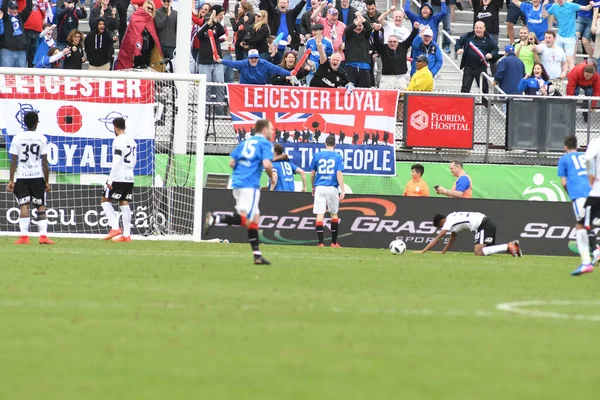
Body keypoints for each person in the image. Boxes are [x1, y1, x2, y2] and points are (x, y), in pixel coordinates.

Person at [203, 119, 275, 265]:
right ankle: (216, 219)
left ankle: (257, 255)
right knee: (250, 219)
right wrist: (271, 176)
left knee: (253, 218)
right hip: (250, 184)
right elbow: (267, 164)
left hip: (237, 182)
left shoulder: (244, 143)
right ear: (265, 130)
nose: (273, 132)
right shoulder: (265, 144)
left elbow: (231, 163)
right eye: (272, 129)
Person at [6, 111, 54, 245]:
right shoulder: (42, 138)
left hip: (22, 176)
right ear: (36, 123)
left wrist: (11, 180)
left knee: (24, 205)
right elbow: (45, 162)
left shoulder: (17, 138)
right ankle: (43, 236)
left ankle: (24, 237)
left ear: (24, 123)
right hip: (37, 176)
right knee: (40, 206)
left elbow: (13, 161)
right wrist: (47, 182)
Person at [558, 136, 597, 275]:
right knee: (586, 223)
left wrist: (571, 194)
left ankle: (590, 258)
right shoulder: (584, 155)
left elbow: (563, 182)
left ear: (565, 147)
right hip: (592, 192)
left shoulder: (564, 159)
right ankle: (595, 251)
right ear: (577, 145)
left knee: (581, 225)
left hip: (579, 194)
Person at [99, 117, 137, 243]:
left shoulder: (118, 140)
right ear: (124, 126)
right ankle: (126, 235)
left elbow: (116, 160)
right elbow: (134, 160)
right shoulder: (132, 141)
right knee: (124, 202)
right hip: (129, 175)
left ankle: (115, 228)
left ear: (115, 127)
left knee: (105, 200)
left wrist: (110, 179)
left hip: (118, 176)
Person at [418, 212, 522, 256]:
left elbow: (437, 238)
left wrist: (423, 251)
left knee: (478, 252)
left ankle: (508, 246)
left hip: (483, 225)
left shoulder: (448, 222)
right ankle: (513, 247)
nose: (441, 229)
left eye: (440, 227)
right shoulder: (452, 217)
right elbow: (452, 239)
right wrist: (442, 253)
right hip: (486, 222)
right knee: (483, 252)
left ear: (441, 222)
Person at [571, 135, 600, 275]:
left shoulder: (596, 142)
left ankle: (586, 263)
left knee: (581, 225)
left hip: (597, 192)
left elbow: (588, 158)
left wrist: (591, 175)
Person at [310, 135, 345, 248]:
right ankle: (334, 243)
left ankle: (321, 243)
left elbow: (312, 173)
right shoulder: (337, 156)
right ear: (335, 144)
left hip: (319, 187)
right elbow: (338, 174)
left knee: (320, 215)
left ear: (325, 143)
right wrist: (343, 190)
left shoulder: (318, 155)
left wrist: (313, 186)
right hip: (332, 188)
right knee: (333, 214)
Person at [543, 0, 594, 71]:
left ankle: (572, 79)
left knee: (570, 60)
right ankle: (557, 77)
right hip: (560, 37)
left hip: (570, 38)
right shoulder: (554, 7)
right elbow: (544, 15)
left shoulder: (572, 6)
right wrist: (543, 7)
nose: (559, 1)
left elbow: (586, 8)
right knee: (557, 58)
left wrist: (591, 5)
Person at [456, 21, 499, 96]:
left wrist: (491, 54)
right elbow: (458, 42)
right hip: (468, 67)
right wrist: (458, 49)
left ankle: (486, 105)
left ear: (484, 29)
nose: (478, 30)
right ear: (474, 28)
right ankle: (464, 106)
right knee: (465, 88)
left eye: (480, 28)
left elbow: (495, 49)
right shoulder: (468, 35)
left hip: (481, 68)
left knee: (484, 88)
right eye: (477, 28)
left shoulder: (489, 38)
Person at [372, 22, 419, 89]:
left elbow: (411, 38)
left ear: (398, 42)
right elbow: (376, 41)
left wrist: (415, 29)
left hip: (401, 78)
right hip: (387, 78)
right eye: (390, 42)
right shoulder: (383, 48)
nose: (392, 43)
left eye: (394, 42)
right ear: (387, 42)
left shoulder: (403, 46)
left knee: (401, 97)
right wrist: (376, 31)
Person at [219, 49, 291, 84]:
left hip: (259, 90)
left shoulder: (264, 63)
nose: (253, 59)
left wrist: (289, 73)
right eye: (251, 58)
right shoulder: (243, 63)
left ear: (258, 58)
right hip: (244, 90)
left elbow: (277, 69)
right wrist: (221, 60)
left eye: (255, 58)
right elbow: (232, 63)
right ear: (248, 58)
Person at [0, 0, 34, 68]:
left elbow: (29, 8)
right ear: (8, 9)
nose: (14, 10)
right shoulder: (5, 18)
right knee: (7, 76)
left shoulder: (21, 17)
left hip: (21, 52)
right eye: (12, 8)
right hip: (7, 52)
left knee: (20, 76)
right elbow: (3, 7)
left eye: (16, 8)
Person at [344, 11, 373, 88]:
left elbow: (369, 28)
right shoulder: (349, 34)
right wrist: (357, 22)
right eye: (357, 25)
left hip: (364, 64)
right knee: (350, 88)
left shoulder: (365, 35)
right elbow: (346, 29)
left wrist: (361, 17)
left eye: (360, 25)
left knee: (365, 88)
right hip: (351, 64)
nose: (358, 27)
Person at [533, 30, 567, 95]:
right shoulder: (542, 46)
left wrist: (564, 72)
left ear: (554, 38)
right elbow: (538, 49)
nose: (547, 39)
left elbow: (564, 63)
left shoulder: (560, 50)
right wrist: (535, 47)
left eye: (549, 38)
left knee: (560, 101)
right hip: (544, 81)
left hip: (557, 80)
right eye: (546, 38)